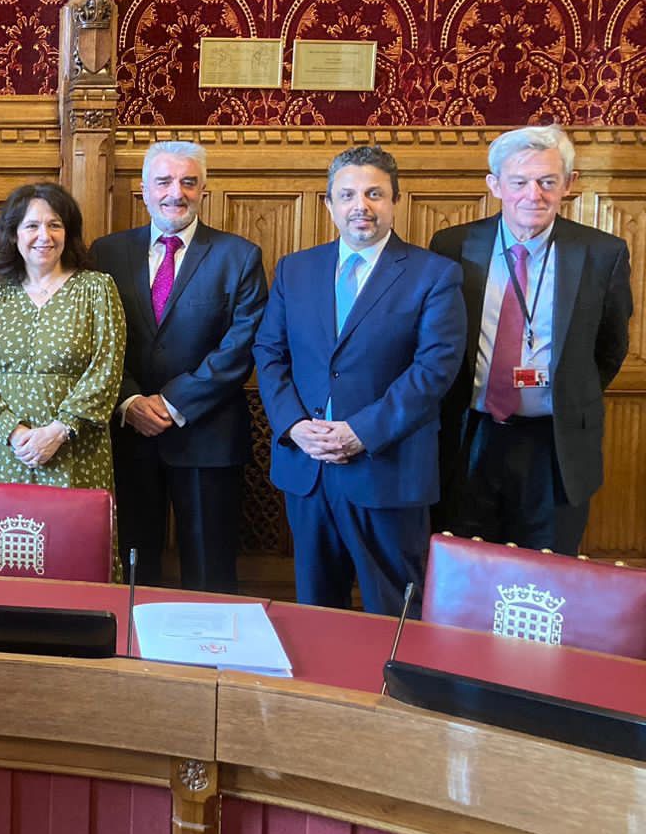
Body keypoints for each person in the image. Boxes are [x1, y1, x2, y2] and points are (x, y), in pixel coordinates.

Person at [253, 146, 466, 616]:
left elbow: (434, 368)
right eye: (347, 195)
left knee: (394, 612)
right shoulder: (295, 269)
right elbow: (269, 352)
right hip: (308, 467)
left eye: (374, 193)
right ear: (329, 204)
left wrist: (361, 432)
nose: (360, 206)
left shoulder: (434, 274)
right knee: (315, 610)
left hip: (387, 467)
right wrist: (293, 425)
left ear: (395, 201)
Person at [429, 126, 633, 555]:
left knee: (547, 572)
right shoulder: (453, 246)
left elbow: (610, 347)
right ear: (495, 185)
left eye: (547, 181)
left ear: (569, 184)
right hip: (470, 434)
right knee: (465, 567)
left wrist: (567, 391)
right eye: (519, 182)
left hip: (555, 443)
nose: (533, 195)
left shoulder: (602, 253)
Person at [90, 142, 266, 592]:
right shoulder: (106, 253)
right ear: (144, 190)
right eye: (164, 182)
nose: (176, 193)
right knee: (132, 569)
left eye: (188, 182)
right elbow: (94, 340)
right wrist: (129, 399)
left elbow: (241, 345)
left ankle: (208, 643)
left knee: (210, 574)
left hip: (207, 435)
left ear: (203, 189)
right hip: (128, 434)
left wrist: (172, 403)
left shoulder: (238, 256)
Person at [0, 184, 125, 505]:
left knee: (69, 534)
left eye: (54, 225)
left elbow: (106, 370)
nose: (44, 236)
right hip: (2, 451)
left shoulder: (97, 288)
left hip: (74, 449)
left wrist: (59, 430)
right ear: (14, 235)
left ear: (68, 232)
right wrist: (13, 431)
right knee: (3, 534)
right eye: (32, 226)